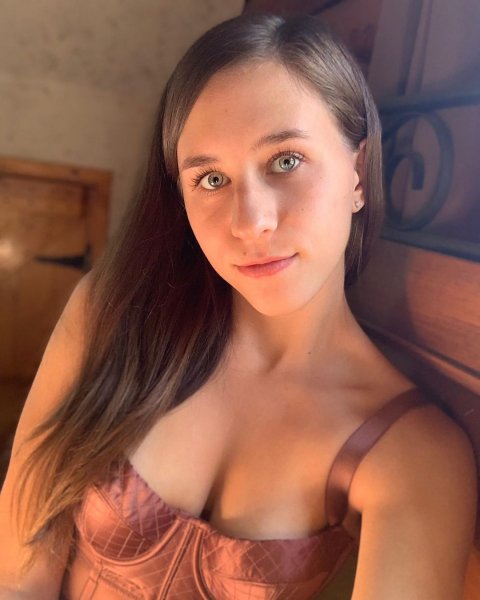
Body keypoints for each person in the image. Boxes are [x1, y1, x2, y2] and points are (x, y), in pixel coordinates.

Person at [0, 12, 477, 600]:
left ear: (357, 173)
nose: (250, 223)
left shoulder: (410, 452)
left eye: (285, 161)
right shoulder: (113, 314)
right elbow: (17, 574)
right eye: (210, 179)